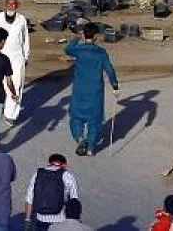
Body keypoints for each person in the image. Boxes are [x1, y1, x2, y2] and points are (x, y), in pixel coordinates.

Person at [64, 24, 118, 156]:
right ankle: (91, 147)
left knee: (76, 116)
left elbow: (67, 49)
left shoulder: (78, 50)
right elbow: (109, 70)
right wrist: (115, 85)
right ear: (95, 37)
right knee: (95, 120)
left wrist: (77, 37)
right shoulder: (101, 52)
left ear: (84, 35)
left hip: (79, 89)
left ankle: (80, 138)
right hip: (95, 91)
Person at [23, 154, 79, 231]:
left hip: (40, 219)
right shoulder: (67, 175)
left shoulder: (38, 174)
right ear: (64, 164)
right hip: (60, 220)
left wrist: (27, 220)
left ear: (50, 162)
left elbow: (29, 199)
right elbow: (74, 201)